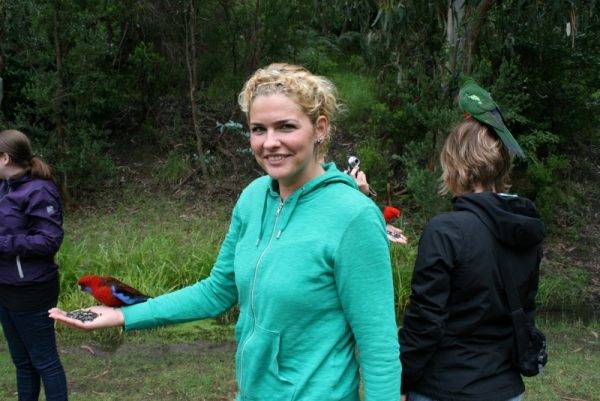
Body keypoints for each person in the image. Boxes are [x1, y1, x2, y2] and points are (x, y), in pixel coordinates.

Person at [50, 64, 401, 401]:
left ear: (319, 128)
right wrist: (125, 314)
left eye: (286, 127)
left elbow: (378, 346)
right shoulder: (252, 198)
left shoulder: (352, 215)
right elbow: (217, 291)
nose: (270, 142)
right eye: (258, 129)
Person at [399, 118, 544, 401]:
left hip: (444, 388)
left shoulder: (445, 230)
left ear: (454, 165)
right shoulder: (525, 226)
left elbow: (425, 322)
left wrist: (401, 380)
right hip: (506, 390)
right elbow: (526, 310)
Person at [0, 129, 68, 401]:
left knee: (45, 362)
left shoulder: (40, 191)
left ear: (4, 158)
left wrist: (3, 243)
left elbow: (49, 241)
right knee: (23, 363)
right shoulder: (4, 187)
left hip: (32, 289)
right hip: (5, 287)